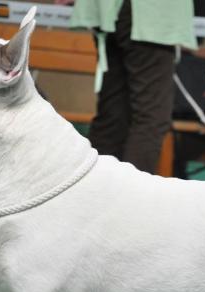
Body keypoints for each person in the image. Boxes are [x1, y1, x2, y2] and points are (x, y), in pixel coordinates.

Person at [58, 0, 197, 173]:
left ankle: (92, 190)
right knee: (150, 117)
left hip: (107, 11)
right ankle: (131, 197)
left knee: (113, 115)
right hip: (149, 13)